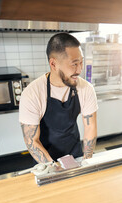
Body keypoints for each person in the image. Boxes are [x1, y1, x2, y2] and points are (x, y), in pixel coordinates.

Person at [19, 32, 98, 164]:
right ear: (53, 64)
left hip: (75, 154)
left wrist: (86, 162)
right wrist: (53, 167)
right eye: (74, 64)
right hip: (45, 158)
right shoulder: (32, 94)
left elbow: (90, 128)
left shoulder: (86, 89)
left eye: (81, 63)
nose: (79, 70)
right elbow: (32, 141)